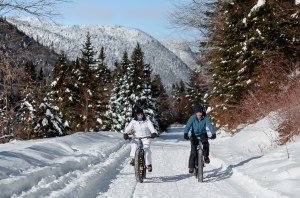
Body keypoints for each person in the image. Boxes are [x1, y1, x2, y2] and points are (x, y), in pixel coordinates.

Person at [184, 104, 216, 174]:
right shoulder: (192, 118)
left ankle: (206, 157)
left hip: (203, 134)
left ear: (202, 112)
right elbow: (187, 126)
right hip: (194, 135)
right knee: (193, 151)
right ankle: (191, 167)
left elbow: (210, 125)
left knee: (206, 144)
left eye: (200, 112)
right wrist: (185, 133)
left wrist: (213, 133)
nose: (199, 114)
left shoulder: (205, 117)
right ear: (195, 112)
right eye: (198, 112)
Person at [123, 107, 158, 172]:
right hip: (137, 137)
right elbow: (128, 128)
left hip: (146, 137)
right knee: (134, 145)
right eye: (138, 115)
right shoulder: (133, 121)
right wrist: (125, 133)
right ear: (136, 115)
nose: (140, 116)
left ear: (143, 114)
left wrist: (153, 133)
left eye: (141, 114)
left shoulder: (147, 120)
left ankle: (148, 164)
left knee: (146, 149)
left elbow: (151, 127)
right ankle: (133, 159)